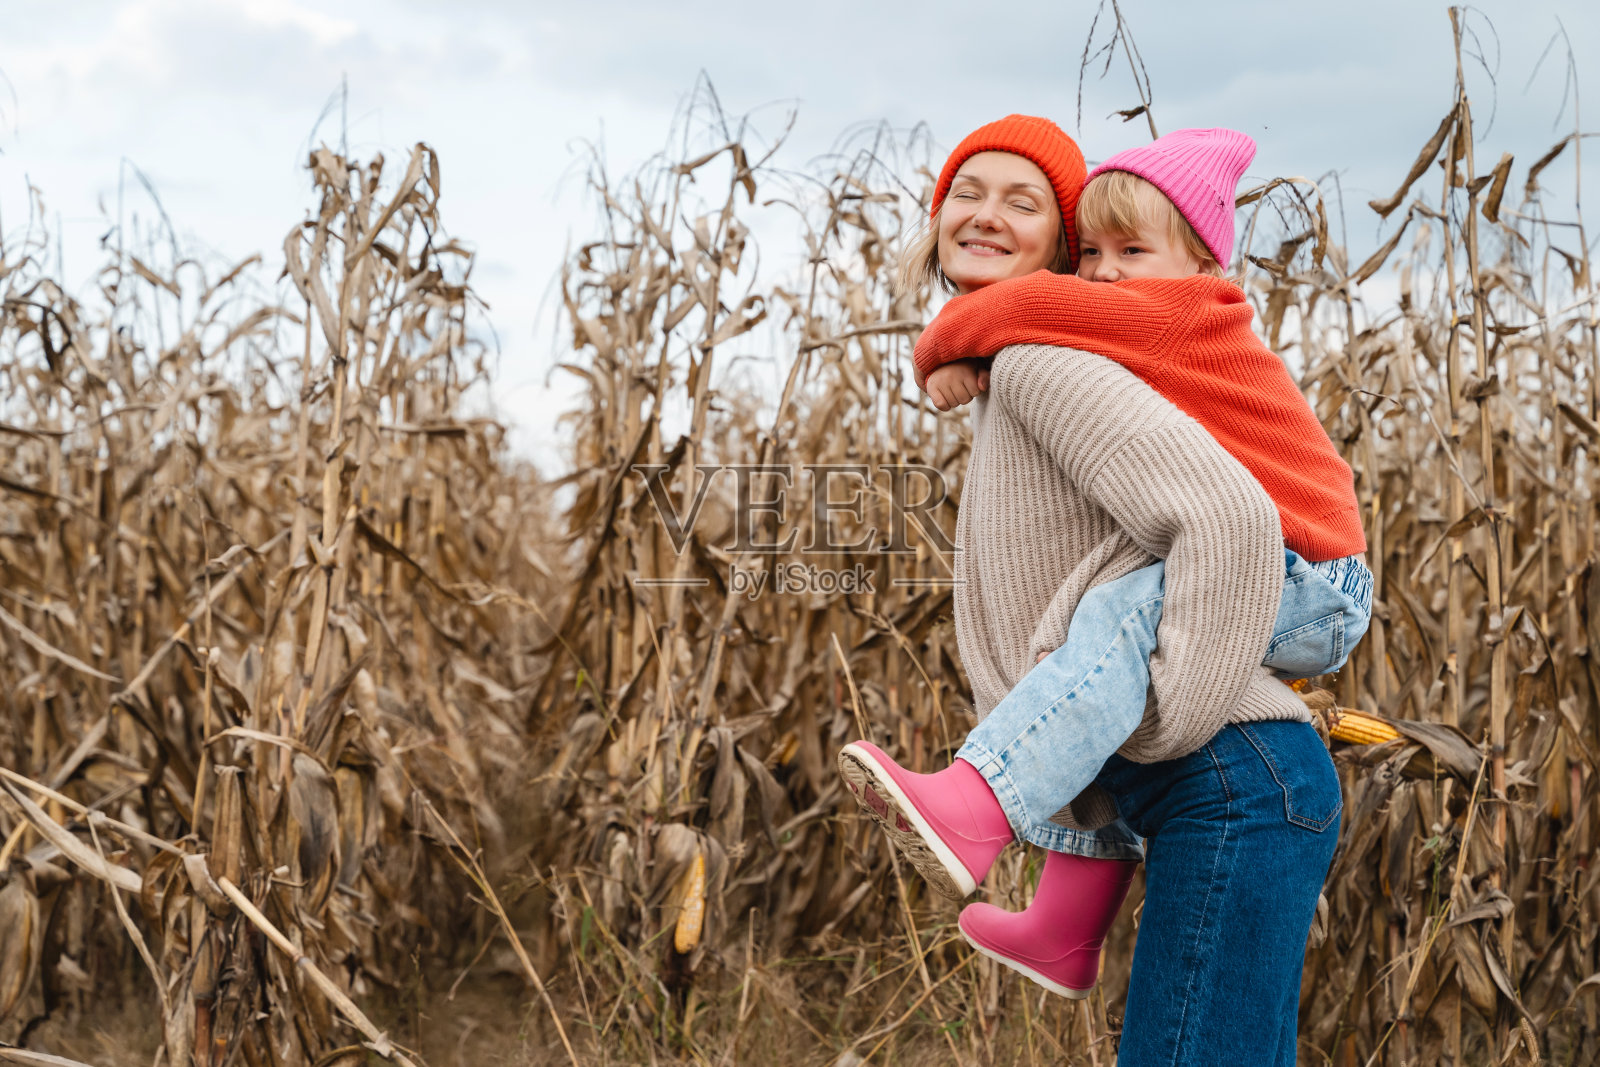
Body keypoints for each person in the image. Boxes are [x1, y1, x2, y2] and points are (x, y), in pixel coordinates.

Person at [837, 116, 1353, 1065]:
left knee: (1120, 625)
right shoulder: (1031, 366)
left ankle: (978, 802)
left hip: (1234, 773)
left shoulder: (1046, 359)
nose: (986, 215)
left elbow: (1231, 522)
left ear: (1057, 247)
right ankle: (1063, 921)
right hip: (1245, 781)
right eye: (967, 192)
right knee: (1098, 644)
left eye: (1022, 201)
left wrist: (1173, 716)